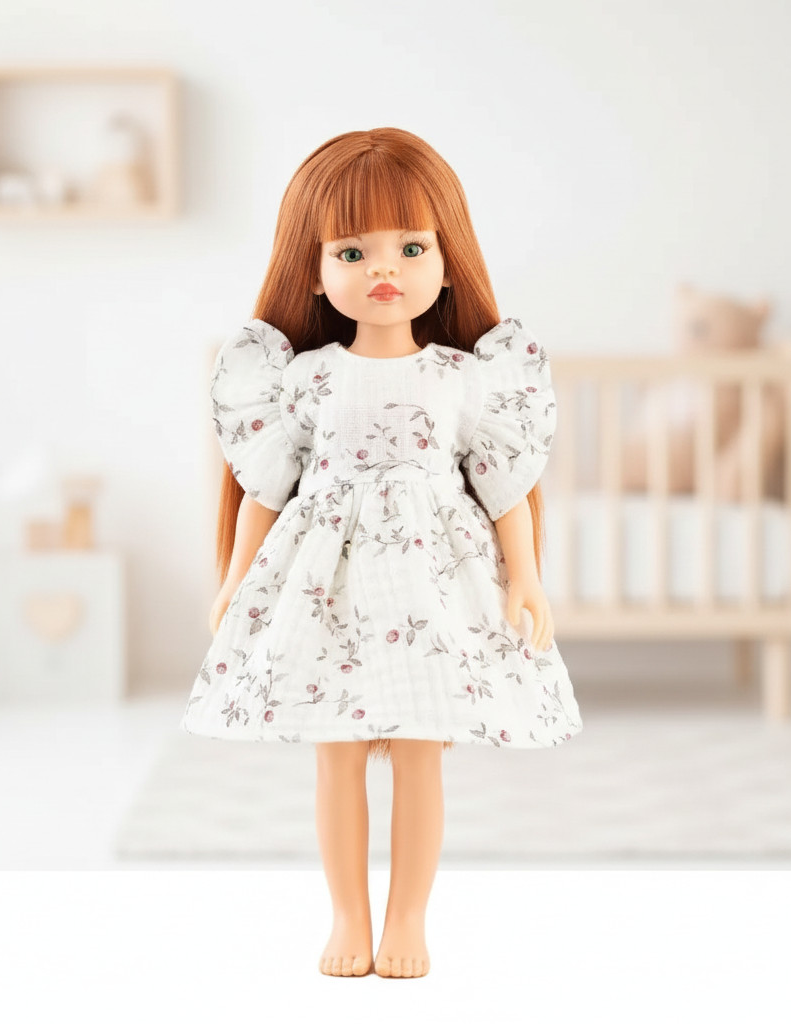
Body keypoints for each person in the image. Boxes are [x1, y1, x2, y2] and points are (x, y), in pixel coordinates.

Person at [180, 127, 583, 979]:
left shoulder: (464, 376)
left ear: (447, 259)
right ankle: (347, 918)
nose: (383, 270)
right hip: (326, 587)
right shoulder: (305, 377)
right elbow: (265, 487)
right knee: (336, 758)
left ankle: (407, 919)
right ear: (315, 269)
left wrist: (527, 579)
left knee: (419, 757)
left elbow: (502, 486)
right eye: (352, 252)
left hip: (434, 588)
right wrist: (236, 580)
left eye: (412, 247)